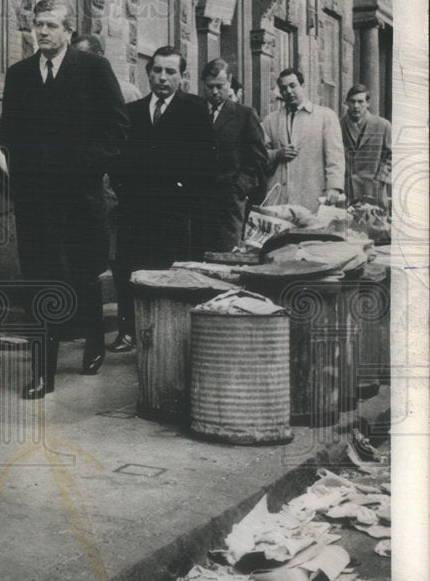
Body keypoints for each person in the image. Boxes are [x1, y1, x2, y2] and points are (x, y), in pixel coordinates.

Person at [0, 0, 129, 399]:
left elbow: (117, 132)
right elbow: (9, 136)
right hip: (35, 203)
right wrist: (23, 180)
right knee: (41, 282)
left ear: (68, 31)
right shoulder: (19, 75)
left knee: (83, 276)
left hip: (79, 198)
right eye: (37, 25)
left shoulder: (92, 69)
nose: (42, 32)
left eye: (52, 25)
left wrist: (82, 167)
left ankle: (93, 342)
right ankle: (43, 373)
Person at [109, 46, 214, 353]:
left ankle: (170, 338)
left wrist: (183, 192)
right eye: (157, 71)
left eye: (170, 72)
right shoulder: (133, 112)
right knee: (131, 271)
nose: (162, 78)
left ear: (181, 76)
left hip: (174, 212)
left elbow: (207, 162)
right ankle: (128, 332)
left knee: (169, 273)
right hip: (135, 211)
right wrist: (127, 192)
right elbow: (118, 160)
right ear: (148, 73)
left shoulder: (194, 110)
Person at [200, 59, 268, 252]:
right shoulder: (195, 110)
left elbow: (258, 160)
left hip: (229, 205)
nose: (214, 92)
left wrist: (239, 188)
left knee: (226, 255)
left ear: (229, 82)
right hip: (199, 203)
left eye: (219, 86)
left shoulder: (244, 115)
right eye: (209, 86)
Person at [261, 68, 344, 212]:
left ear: (303, 86)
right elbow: (259, 156)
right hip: (279, 197)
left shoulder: (325, 116)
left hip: (313, 196)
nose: (289, 91)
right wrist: (276, 154)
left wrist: (334, 187)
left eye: (293, 85)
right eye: (283, 88)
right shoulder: (270, 121)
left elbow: (335, 156)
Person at [341, 84, 391, 209]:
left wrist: (380, 179)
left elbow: (391, 155)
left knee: (375, 224)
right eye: (352, 102)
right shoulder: (338, 125)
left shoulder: (383, 125)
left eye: (360, 102)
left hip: (374, 189)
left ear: (368, 103)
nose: (356, 106)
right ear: (347, 103)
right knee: (348, 225)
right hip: (348, 189)